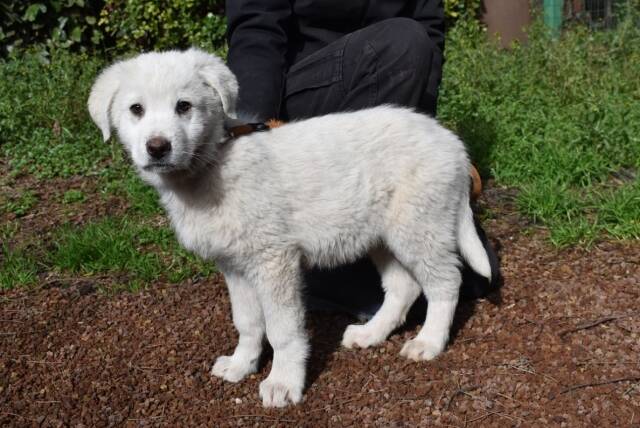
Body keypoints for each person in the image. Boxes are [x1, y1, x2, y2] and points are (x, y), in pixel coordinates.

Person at [224, 0, 499, 318]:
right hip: (301, 106)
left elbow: (430, 34)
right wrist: (251, 129)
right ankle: (326, 267)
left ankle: (368, 251)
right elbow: (257, 27)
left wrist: (422, 154)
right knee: (402, 41)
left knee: (476, 276)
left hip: (384, 100)